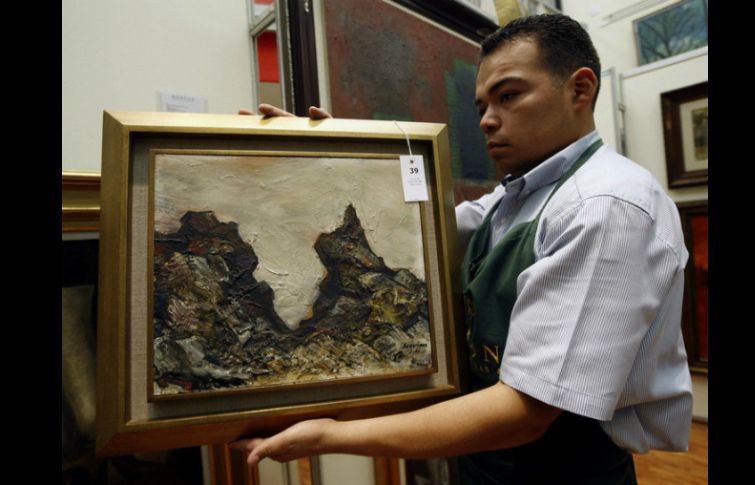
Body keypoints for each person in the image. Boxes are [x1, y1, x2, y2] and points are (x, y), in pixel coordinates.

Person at [233, 13, 693, 484]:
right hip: (485, 462)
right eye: (481, 106)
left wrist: (330, 436)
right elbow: (411, 235)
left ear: (580, 89)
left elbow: (526, 411)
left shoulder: (605, 206)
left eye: (509, 96)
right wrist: (333, 157)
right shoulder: (511, 200)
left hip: (565, 470)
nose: (487, 120)